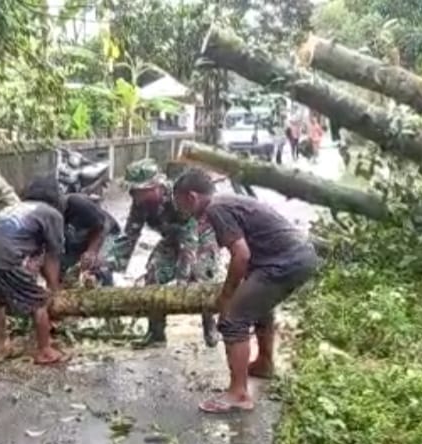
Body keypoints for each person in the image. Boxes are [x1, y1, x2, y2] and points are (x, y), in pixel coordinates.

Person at [172, 168, 319, 414]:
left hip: (285, 261)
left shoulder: (215, 209)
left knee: (233, 320)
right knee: (258, 307)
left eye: (180, 204)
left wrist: (227, 294)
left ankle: (238, 394)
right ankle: (264, 363)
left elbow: (241, 254)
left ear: (192, 197)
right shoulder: (228, 201)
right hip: (297, 256)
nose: (181, 211)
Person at [110, 159, 219, 349]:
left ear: (154, 187)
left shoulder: (178, 196)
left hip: (200, 237)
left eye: (137, 190)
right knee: (153, 273)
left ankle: (210, 326)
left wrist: (182, 277)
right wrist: (109, 264)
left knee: (200, 277)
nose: (132, 194)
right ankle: (156, 334)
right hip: (171, 238)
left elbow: (190, 237)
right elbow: (129, 235)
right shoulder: (140, 205)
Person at [0, 179, 68, 365]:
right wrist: (54, 290)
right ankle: (45, 350)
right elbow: (53, 257)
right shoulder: (52, 214)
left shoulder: (16, 208)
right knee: (39, 301)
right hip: (3, 257)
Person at [22, 176, 119, 287]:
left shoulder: (77, 203)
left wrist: (92, 251)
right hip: (75, 242)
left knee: (98, 267)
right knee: (65, 273)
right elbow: (49, 254)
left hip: (105, 235)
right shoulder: (39, 221)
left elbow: (102, 226)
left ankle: (106, 290)